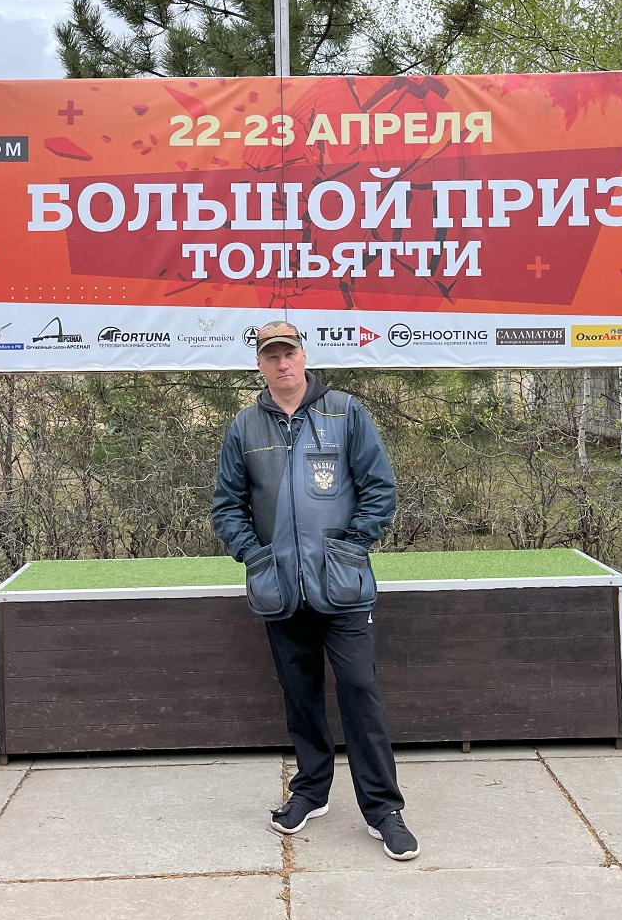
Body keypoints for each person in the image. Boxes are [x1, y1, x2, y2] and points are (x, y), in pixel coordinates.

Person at [211, 320, 419, 861]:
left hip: (343, 587)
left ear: (304, 356)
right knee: (299, 695)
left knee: (359, 691)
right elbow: (227, 506)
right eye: (271, 356)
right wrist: (255, 556)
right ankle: (311, 791)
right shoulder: (245, 426)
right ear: (260, 364)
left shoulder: (345, 412)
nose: (282, 363)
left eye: (289, 353)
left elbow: (379, 490)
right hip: (279, 589)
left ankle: (384, 810)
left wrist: (353, 546)